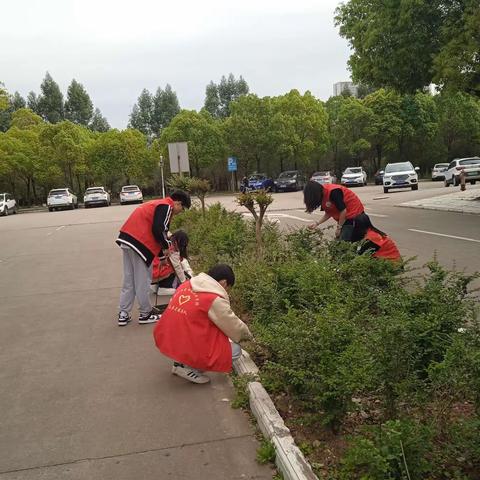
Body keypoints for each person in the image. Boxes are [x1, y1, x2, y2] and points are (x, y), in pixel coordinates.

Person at [153, 264, 252, 384]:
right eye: (228, 288)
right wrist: (249, 337)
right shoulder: (213, 298)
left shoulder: (187, 285)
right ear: (224, 283)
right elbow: (233, 325)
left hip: (166, 336)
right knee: (235, 350)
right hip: (185, 341)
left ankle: (181, 362)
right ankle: (188, 368)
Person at [116, 190, 191, 327]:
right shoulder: (167, 206)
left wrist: (162, 256)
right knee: (143, 281)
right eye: (182, 208)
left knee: (129, 280)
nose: (181, 211)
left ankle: (123, 313)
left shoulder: (157, 203)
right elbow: (158, 230)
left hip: (127, 240)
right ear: (178, 203)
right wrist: (167, 245)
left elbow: (155, 231)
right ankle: (146, 314)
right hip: (140, 243)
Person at [304, 180, 369, 242]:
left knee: (343, 243)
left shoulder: (334, 192)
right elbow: (329, 213)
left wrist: (339, 228)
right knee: (341, 242)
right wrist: (317, 223)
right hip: (346, 218)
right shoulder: (323, 195)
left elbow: (343, 210)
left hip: (355, 217)